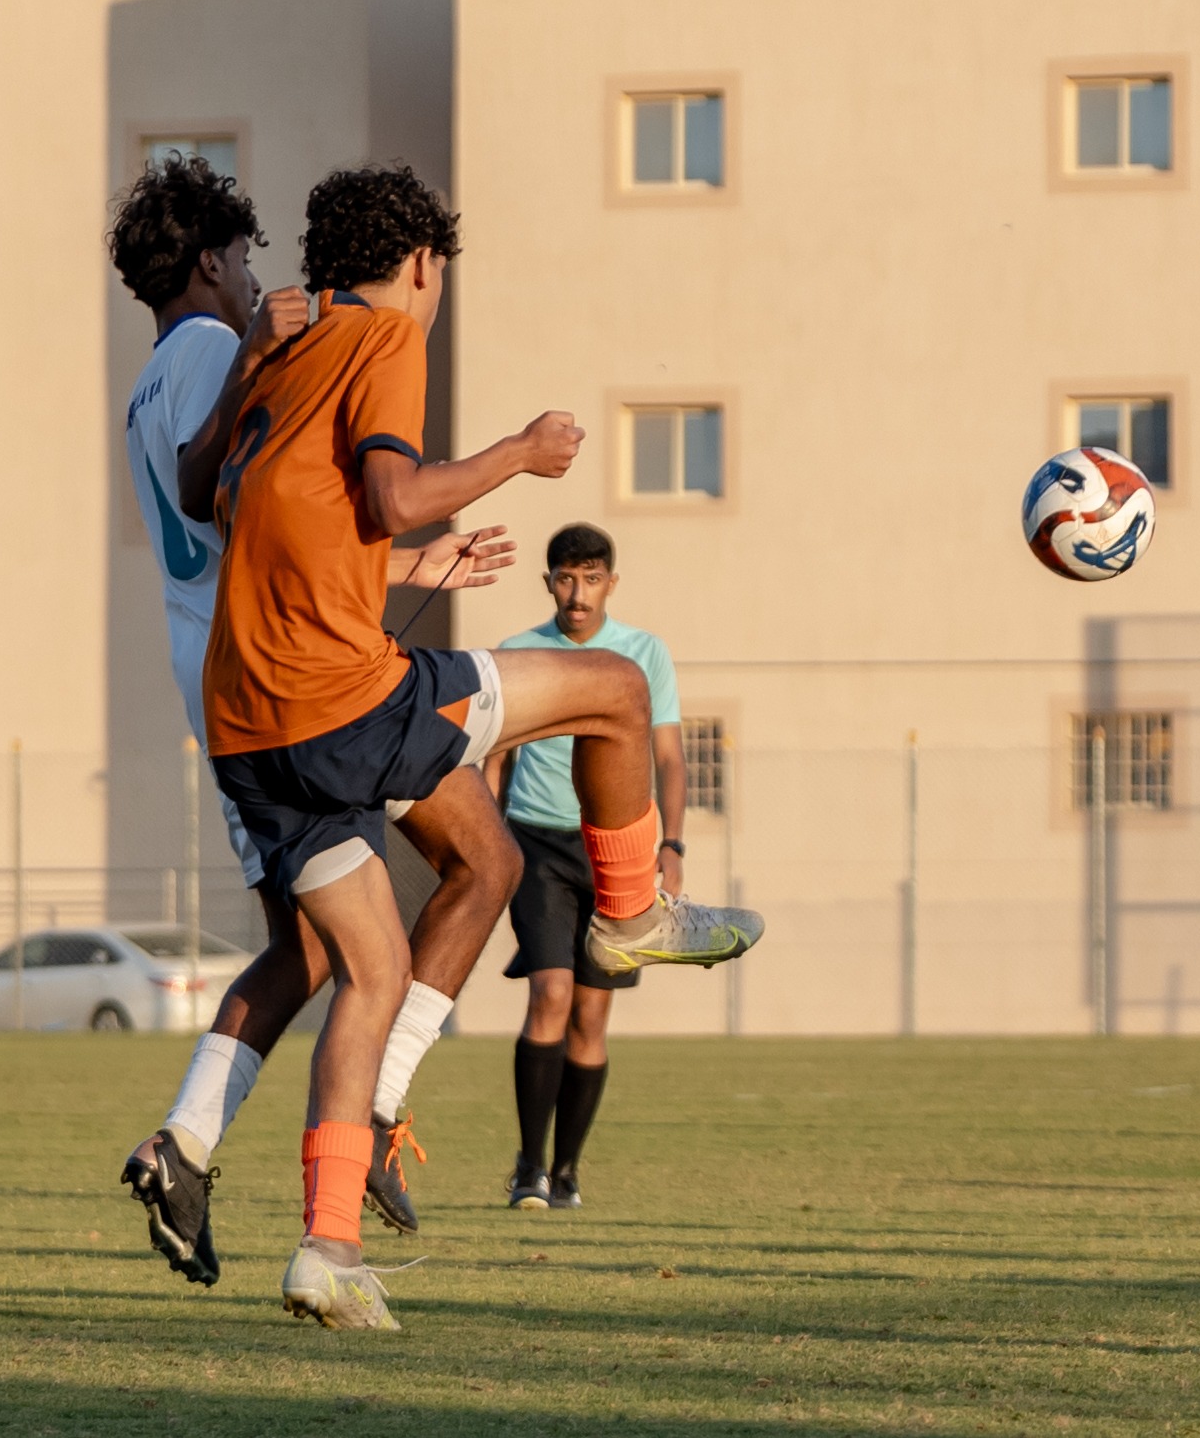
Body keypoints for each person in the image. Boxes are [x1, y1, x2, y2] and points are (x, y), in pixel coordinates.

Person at [192, 163, 763, 1330]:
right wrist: (517, 450)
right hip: (339, 700)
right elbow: (398, 494)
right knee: (609, 687)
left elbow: (217, 496)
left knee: (371, 971)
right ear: (422, 264)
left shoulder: (280, 353)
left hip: (246, 725)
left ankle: (327, 1248)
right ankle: (633, 910)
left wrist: (253, 353)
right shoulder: (382, 335)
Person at [105, 154, 523, 1291]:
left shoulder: (150, 373)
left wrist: (412, 563)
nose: (257, 281)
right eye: (241, 260)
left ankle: (184, 1143)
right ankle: (362, 1118)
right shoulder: (209, 351)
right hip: (279, 679)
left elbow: (271, 512)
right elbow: (241, 499)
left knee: (313, 943)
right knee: (470, 865)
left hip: (247, 667)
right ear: (207, 261)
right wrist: (254, 355)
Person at [483, 524, 686, 1210]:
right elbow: (492, 760)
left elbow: (667, 759)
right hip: (535, 844)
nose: (578, 593)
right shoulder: (517, 654)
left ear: (611, 583)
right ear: (548, 583)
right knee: (550, 994)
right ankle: (528, 1166)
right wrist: (483, 839)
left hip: (615, 849)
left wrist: (673, 845)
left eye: (591, 579)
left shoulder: (642, 654)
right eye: (566, 579)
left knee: (591, 1016)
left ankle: (568, 1168)